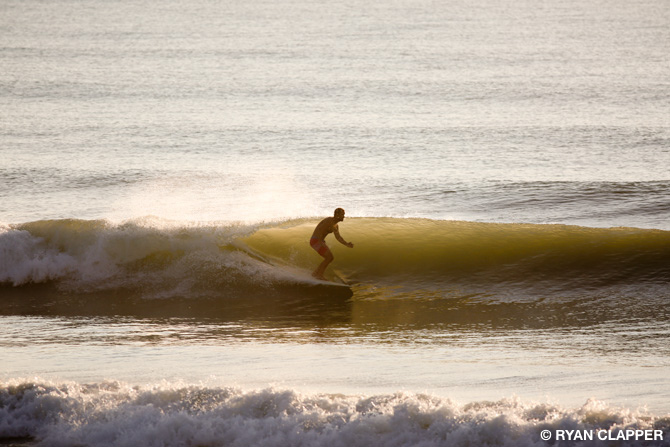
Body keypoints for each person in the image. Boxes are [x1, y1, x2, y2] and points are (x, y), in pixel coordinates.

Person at [309, 208, 354, 280]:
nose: (344, 216)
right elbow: (320, 229)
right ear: (337, 215)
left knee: (329, 258)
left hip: (318, 241)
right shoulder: (329, 221)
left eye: (344, 214)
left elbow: (338, 237)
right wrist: (321, 241)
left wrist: (346, 244)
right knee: (329, 257)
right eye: (342, 214)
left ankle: (315, 273)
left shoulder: (335, 225)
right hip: (316, 240)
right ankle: (318, 274)